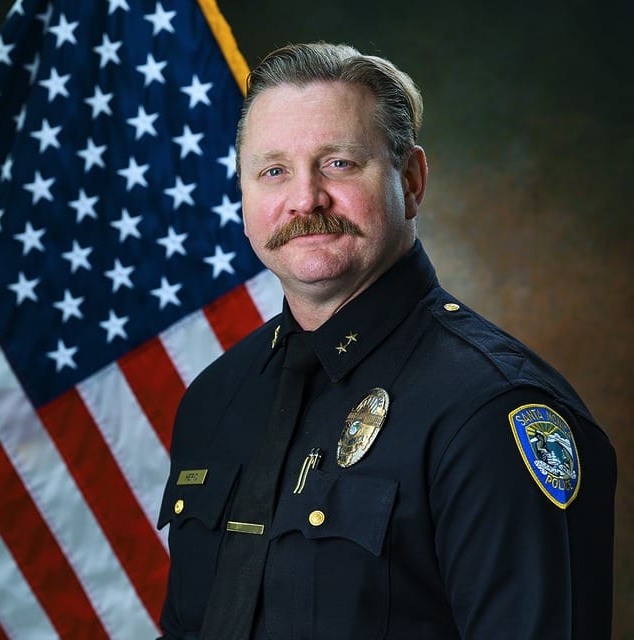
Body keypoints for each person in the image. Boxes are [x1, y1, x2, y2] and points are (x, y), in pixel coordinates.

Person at [156, 42, 616, 639]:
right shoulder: (215, 399)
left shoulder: (491, 411)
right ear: (243, 194)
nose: (305, 198)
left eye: (339, 163)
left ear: (412, 180)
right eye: (274, 171)